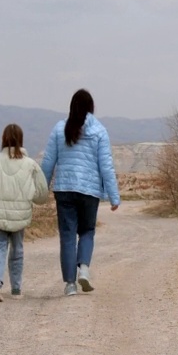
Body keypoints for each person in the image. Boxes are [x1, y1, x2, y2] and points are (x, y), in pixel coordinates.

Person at [40, 89, 120, 296]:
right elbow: (106, 166)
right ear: (91, 107)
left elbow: (48, 161)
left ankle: (70, 285)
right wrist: (114, 196)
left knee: (67, 236)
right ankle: (84, 269)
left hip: (64, 190)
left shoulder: (60, 129)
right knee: (87, 231)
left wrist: (41, 189)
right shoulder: (100, 131)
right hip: (89, 191)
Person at [0, 123, 50, 302]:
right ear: (21, 140)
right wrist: (32, 199)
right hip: (19, 216)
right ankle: (16, 288)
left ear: (3, 139)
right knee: (17, 250)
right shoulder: (30, 164)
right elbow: (42, 192)